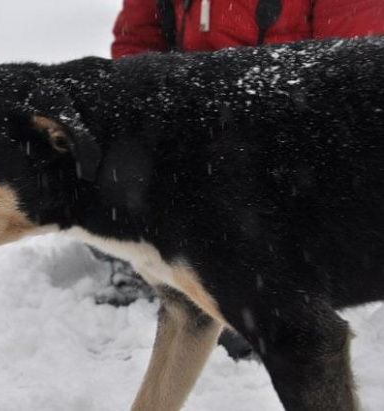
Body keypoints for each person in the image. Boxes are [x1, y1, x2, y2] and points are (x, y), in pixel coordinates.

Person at [94, 0, 384, 360]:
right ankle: (159, 270)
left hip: (289, 130)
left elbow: (347, 77)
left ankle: (263, 299)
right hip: (192, 123)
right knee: (106, 174)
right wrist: (155, 112)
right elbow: (137, 40)